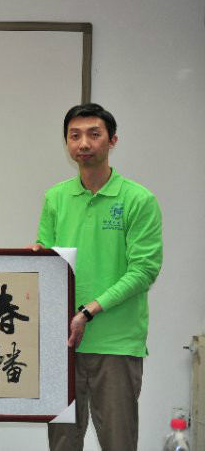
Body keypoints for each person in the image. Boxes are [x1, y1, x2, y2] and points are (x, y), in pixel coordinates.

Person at [32, 103, 162, 451]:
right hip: (63, 345)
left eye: (94, 134)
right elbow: (48, 262)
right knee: (62, 444)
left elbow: (144, 270)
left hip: (116, 344)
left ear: (112, 140)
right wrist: (35, 260)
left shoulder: (138, 199)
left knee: (118, 442)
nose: (84, 143)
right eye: (74, 136)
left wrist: (89, 310)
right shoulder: (55, 198)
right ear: (66, 143)